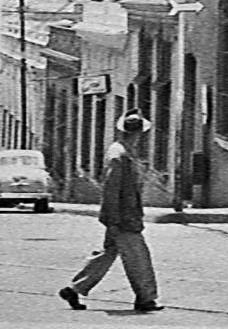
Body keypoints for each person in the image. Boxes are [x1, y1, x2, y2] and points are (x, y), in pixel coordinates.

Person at [58, 108, 163, 313]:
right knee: (138, 258)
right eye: (139, 133)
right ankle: (146, 298)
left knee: (107, 254)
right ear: (135, 133)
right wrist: (112, 220)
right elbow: (111, 189)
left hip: (125, 215)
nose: (141, 137)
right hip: (123, 218)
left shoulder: (124, 152)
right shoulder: (119, 154)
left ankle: (75, 289)